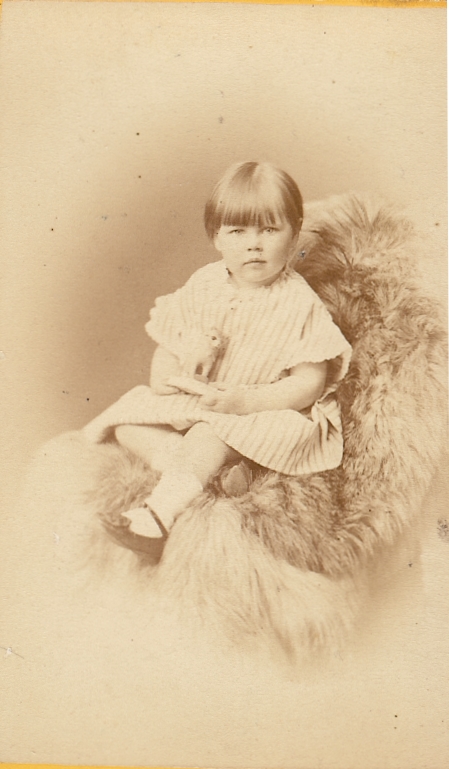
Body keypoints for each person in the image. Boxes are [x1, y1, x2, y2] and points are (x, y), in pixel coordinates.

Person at [84, 161, 352, 548]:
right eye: (237, 231)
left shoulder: (299, 303)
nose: (254, 244)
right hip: (202, 403)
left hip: (264, 414)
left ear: (294, 234)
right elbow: (169, 347)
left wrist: (246, 402)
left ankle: (158, 517)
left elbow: (309, 384)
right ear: (216, 237)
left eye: (269, 230)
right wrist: (170, 374)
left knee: (210, 434)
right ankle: (199, 471)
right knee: (126, 424)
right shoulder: (204, 283)